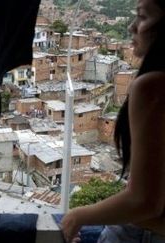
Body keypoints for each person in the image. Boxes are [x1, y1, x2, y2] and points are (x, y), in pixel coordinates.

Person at [62, 0, 165, 241]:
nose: (131, 27)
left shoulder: (153, 87)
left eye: (141, 17)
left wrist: (77, 216)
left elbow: (145, 201)